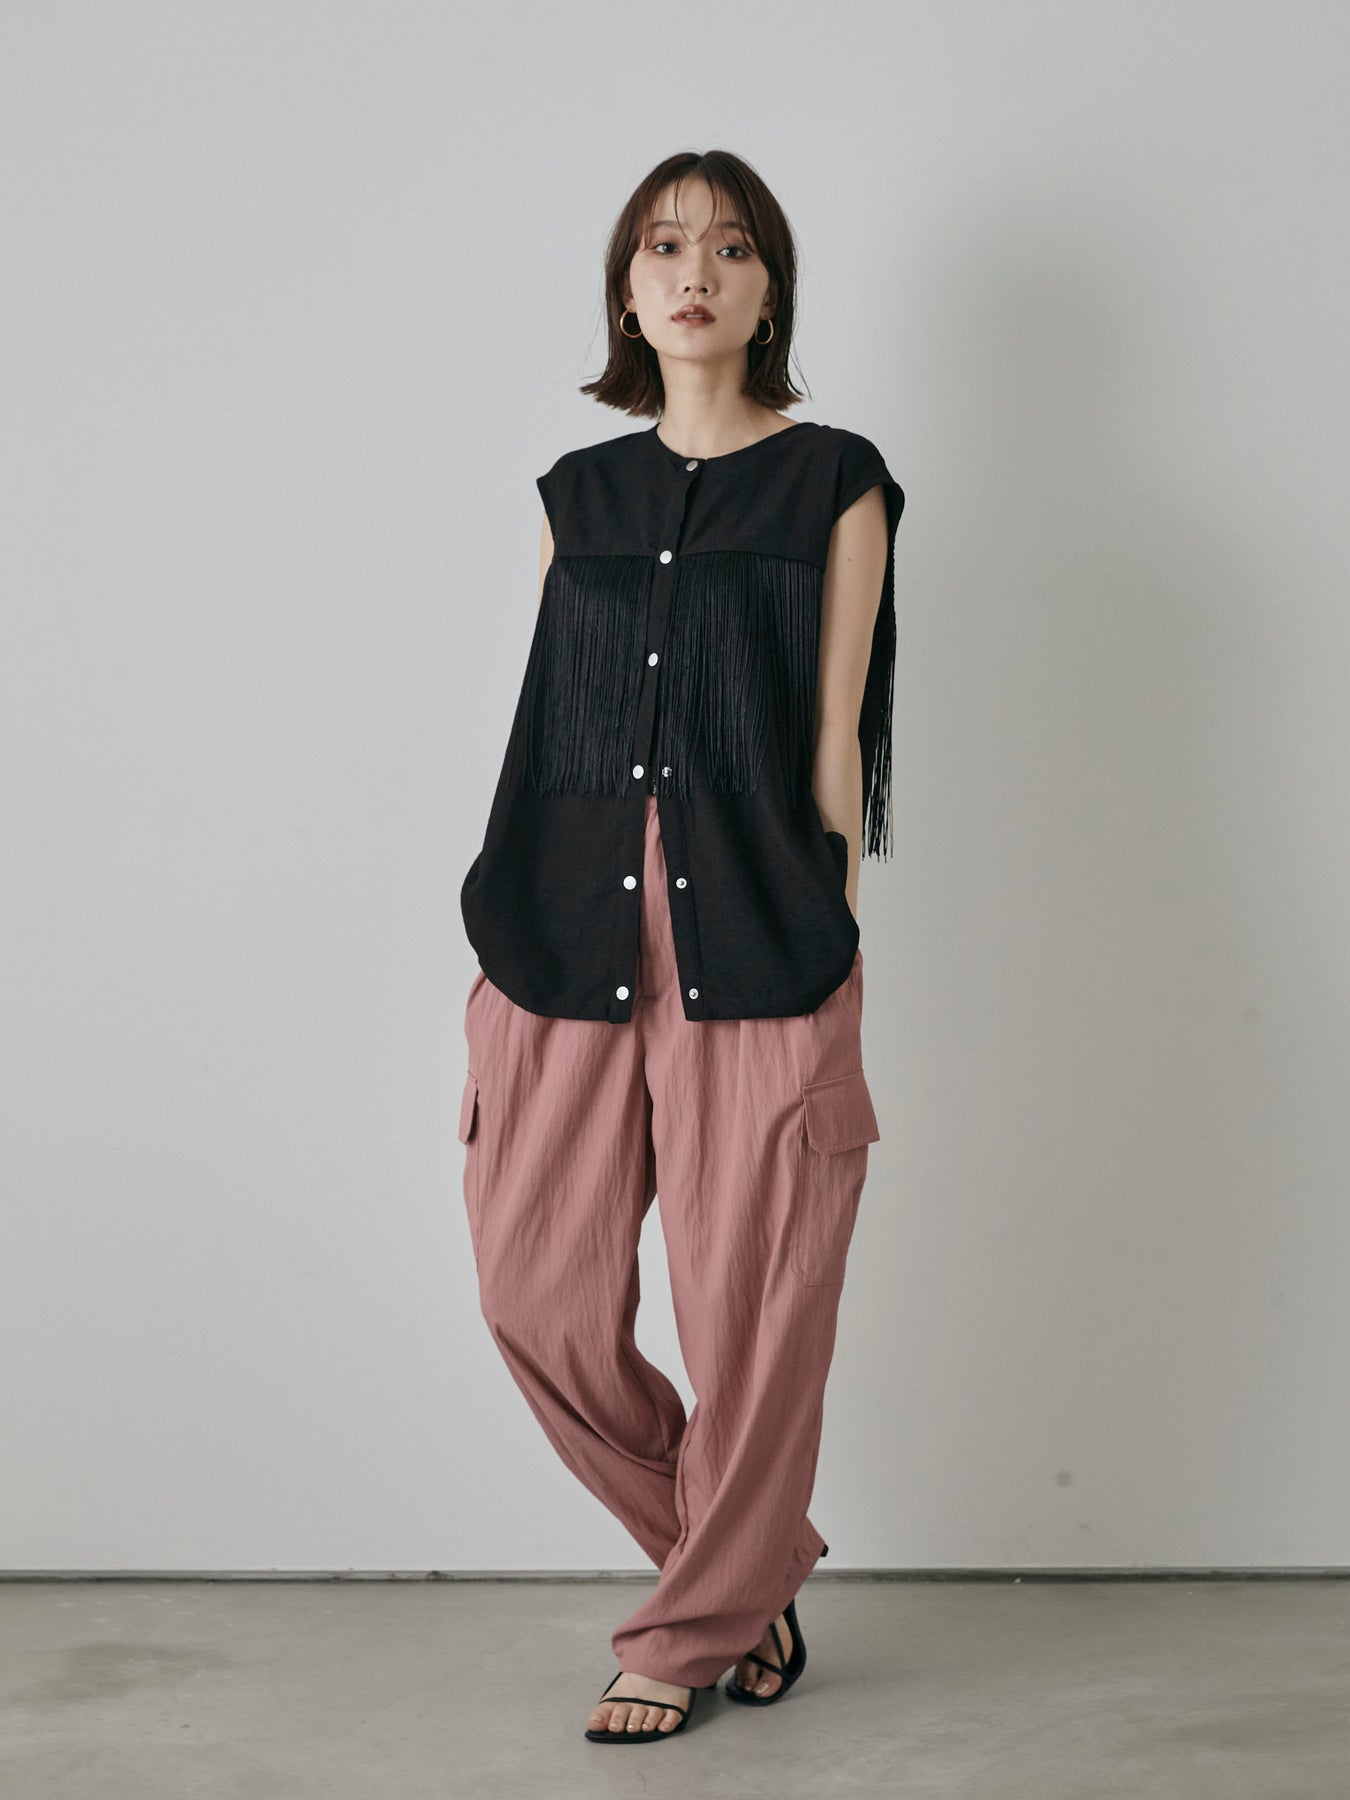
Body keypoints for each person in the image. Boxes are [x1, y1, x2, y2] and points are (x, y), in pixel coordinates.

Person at [458, 148, 905, 1745]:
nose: (693, 270)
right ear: (626, 292)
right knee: (535, 1299)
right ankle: (743, 1563)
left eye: (727, 246)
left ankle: (687, 1629)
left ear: (768, 289)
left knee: (754, 1317)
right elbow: (547, 727)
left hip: (762, 939)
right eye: (661, 246)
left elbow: (838, 737)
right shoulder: (573, 498)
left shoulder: (835, 480)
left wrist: (833, 935)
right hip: (556, 935)